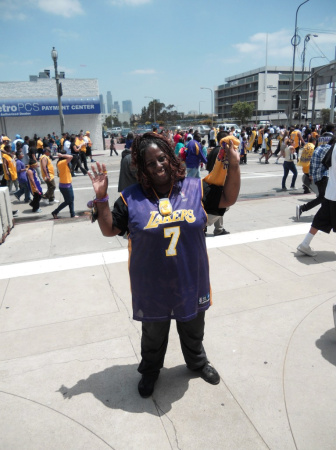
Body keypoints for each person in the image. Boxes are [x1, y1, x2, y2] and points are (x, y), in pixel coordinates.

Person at [88, 132, 240, 398]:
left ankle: (197, 362)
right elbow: (109, 229)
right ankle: (150, 370)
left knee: (193, 329)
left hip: (191, 280)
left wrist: (235, 165)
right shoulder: (130, 198)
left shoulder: (196, 188)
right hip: (152, 285)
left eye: (161, 158)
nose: (158, 166)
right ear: (142, 168)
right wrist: (101, 198)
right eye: (150, 163)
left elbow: (228, 198)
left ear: (170, 158)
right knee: (153, 335)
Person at [297, 137, 336, 256]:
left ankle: (305, 244)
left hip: (331, 191)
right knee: (321, 219)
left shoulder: (334, 147)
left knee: (320, 219)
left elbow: (327, 163)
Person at [296, 125, 335, 220]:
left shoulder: (318, 148)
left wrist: (311, 175)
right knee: (325, 198)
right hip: (325, 176)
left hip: (318, 177)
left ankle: (325, 216)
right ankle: (303, 208)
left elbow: (312, 163)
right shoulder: (330, 149)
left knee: (325, 198)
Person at [51, 152, 78, 219]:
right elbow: (71, 156)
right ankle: (55, 212)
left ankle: (73, 214)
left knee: (71, 200)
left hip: (67, 184)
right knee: (68, 201)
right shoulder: (61, 163)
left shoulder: (63, 163)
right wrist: (62, 155)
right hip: (65, 186)